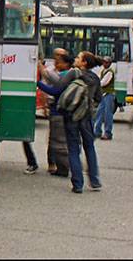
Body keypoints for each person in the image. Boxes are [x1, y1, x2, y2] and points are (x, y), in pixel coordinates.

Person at [37, 51, 103, 193]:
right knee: (89, 147)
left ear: (84, 62)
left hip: (71, 116)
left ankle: (78, 184)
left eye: (79, 57)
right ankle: (95, 181)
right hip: (86, 118)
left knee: (73, 149)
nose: (76, 59)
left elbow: (56, 90)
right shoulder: (95, 78)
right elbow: (99, 98)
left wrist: (38, 83)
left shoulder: (74, 73)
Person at [37, 52, 74, 177]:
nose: (56, 64)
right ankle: (59, 165)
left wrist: (38, 83)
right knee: (59, 141)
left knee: (57, 142)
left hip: (59, 112)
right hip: (63, 112)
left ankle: (62, 168)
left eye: (59, 62)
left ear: (66, 64)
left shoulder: (65, 76)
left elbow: (54, 90)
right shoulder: (67, 74)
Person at [94, 56, 116, 140]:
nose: (104, 64)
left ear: (110, 63)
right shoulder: (104, 71)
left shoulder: (110, 72)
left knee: (108, 114)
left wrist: (95, 83)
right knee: (99, 113)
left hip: (109, 94)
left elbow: (104, 83)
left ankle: (108, 133)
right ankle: (97, 131)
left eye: (106, 62)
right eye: (104, 62)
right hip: (103, 94)